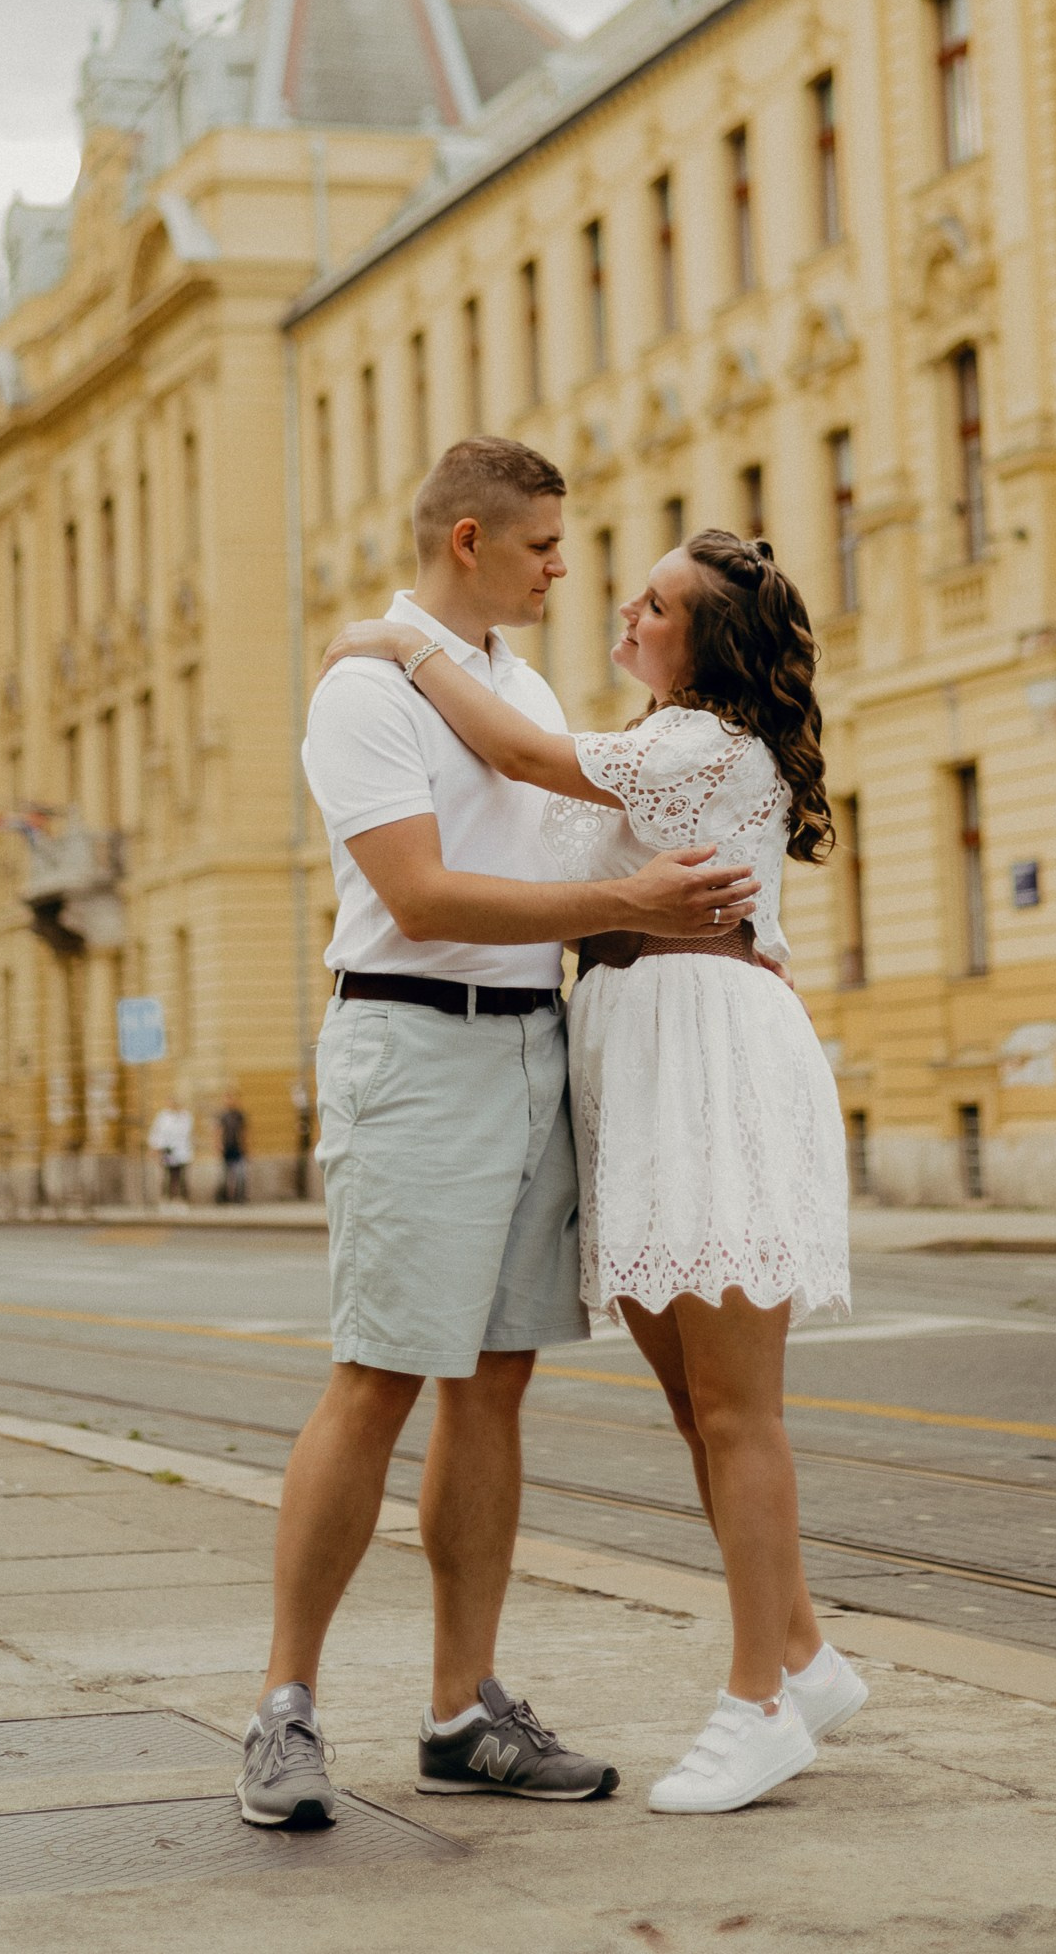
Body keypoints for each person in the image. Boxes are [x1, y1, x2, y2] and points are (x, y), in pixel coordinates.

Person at [239, 439, 761, 1832]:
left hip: (533, 1050)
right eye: (541, 546)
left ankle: (462, 1710)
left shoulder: (516, 687)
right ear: (467, 541)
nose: (563, 567)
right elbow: (419, 893)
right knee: (379, 1377)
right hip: (412, 1042)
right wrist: (629, 909)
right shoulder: (363, 686)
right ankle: (284, 1709)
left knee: (496, 1385)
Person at [324, 526, 862, 1818]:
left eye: (659, 602)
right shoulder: (656, 742)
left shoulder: (695, 744)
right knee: (697, 1405)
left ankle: (757, 1709)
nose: (626, 603)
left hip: (704, 1053)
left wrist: (405, 642)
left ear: (708, 646)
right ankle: (802, 1655)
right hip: (635, 1055)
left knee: (737, 1411)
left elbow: (515, 756)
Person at [146, 1099, 193, 1202]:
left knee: (180, 1175)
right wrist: (155, 1148)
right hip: (167, 1151)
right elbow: (157, 1132)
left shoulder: (185, 1117)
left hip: (181, 1151)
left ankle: (180, 1198)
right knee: (167, 1175)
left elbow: (187, 1135)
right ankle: (166, 1198)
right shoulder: (163, 1117)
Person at [216, 1088, 249, 1206]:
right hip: (227, 1147)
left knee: (241, 1174)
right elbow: (219, 1131)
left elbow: (243, 1132)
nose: (229, 1101)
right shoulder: (223, 1115)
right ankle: (225, 1198)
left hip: (238, 1148)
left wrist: (245, 1146)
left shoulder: (239, 1115)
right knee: (225, 1175)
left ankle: (239, 1197)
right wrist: (219, 1145)